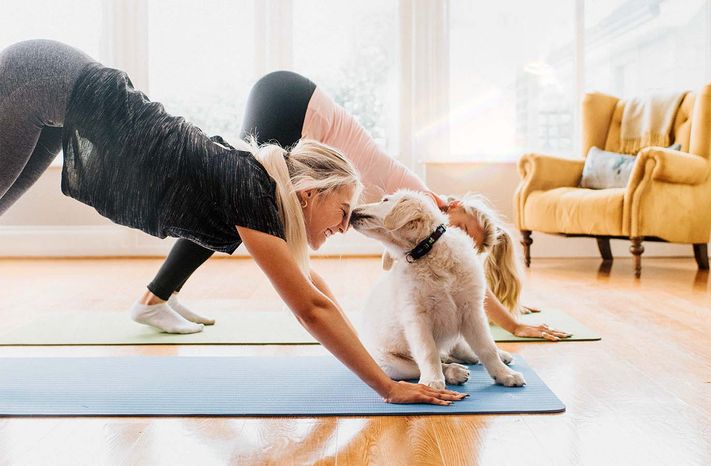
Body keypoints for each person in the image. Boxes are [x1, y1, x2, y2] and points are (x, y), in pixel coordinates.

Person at [0, 39, 466, 405]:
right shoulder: (255, 192)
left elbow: (316, 291)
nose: (346, 226)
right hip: (44, 78)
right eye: (342, 213)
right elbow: (310, 308)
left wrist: (372, 363)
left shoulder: (263, 192)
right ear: (309, 194)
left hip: (58, 90)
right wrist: (387, 388)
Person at [137, 70, 570, 341]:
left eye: (464, 241)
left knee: (236, 202)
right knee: (240, 204)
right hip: (294, 102)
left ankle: (164, 294)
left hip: (288, 96)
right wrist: (511, 324)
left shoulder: (412, 222)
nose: (453, 239)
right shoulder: (421, 201)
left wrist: (506, 310)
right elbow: (458, 274)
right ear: (451, 206)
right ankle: (154, 299)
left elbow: (452, 276)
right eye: (461, 228)